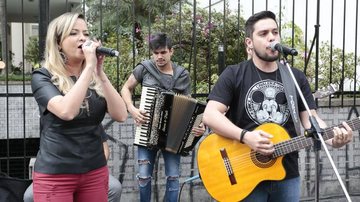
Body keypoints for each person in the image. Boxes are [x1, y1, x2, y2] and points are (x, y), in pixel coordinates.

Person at [202, 10, 353, 202]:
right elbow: (210, 115)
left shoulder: (295, 77)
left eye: (275, 32)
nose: (271, 37)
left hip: (286, 173)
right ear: (249, 42)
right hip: (243, 176)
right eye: (263, 34)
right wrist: (246, 137)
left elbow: (311, 121)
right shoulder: (234, 74)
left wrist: (333, 139)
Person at [31, 12, 128, 202]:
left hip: (95, 171)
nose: (82, 38)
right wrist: (89, 68)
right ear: (58, 42)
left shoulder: (93, 74)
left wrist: (99, 73)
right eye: (74, 33)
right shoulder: (42, 77)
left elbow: (121, 114)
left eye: (86, 33)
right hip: (56, 173)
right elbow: (66, 112)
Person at [121, 32, 205, 202]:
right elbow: (125, 88)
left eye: (163, 52)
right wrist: (131, 108)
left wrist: (200, 125)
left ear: (171, 51)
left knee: (173, 177)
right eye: (155, 53)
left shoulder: (182, 74)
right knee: (144, 177)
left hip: (172, 137)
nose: (159, 57)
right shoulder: (144, 68)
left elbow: (189, 106)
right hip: (146, 130)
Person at [23, 128, 122, 202]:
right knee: (29, 196)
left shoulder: (91, 118)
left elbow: (105, 150)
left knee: (114, 188)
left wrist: (94, 168)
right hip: (56, 174)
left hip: (90, 171)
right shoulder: (53, 118)